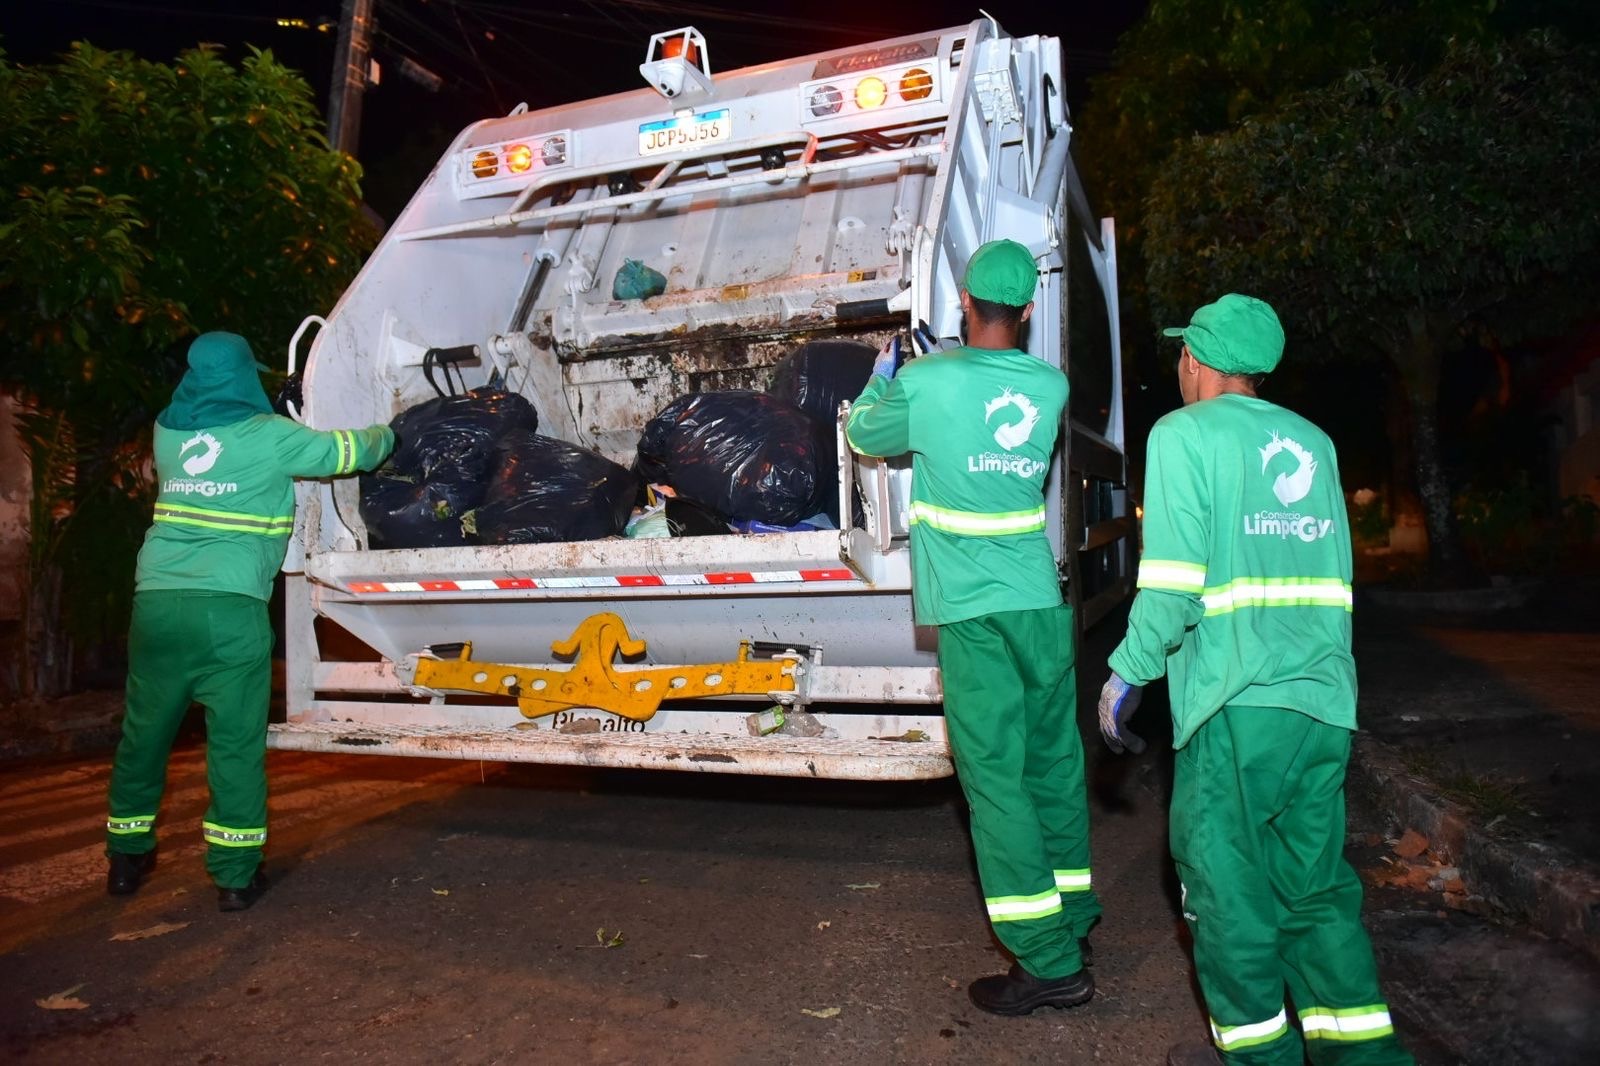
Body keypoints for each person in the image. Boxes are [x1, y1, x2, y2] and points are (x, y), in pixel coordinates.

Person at [1097, 295, 1413, 1065]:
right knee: (1313, 892)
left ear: (1195, 360)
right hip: (1323, 707)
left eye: (1181, 355)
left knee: (1227, 896)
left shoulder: (1184, 434)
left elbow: (1172, 584)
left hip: (1236, 708)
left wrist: (1127, 673)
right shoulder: (1315, 441)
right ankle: (1364, 1057)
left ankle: (1261, 1057)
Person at [846, 239, 1101, 1016]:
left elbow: (865, 436)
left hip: (971, 612)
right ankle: (1073, 918)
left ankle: (1048, 962)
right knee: (1053, 765)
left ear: (963, 300)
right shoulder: (1051, 385)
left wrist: (883, 373)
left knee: (995, 784)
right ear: (1028, 308)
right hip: (1038, 603)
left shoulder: (928, 381)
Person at [105, 332, 394, 912]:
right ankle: (234, 877)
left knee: (144, 735)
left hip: (156, 603)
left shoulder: (166, 431)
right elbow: (347, 453)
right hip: (229, 609)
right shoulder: (269, 437)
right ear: (243, 375)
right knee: (234, 745)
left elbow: (222, 436)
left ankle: (125, 858)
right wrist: (391, 431)